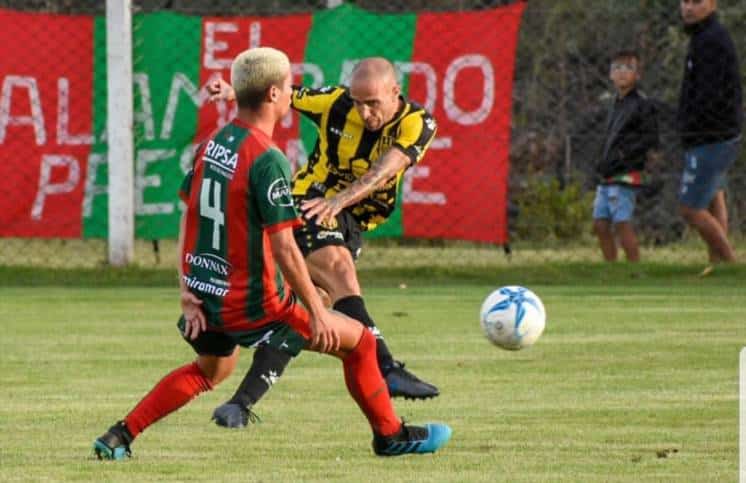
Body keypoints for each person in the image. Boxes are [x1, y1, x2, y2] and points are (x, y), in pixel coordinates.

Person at [92, 47, 451, 459]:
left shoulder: (213, 144)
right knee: (362, 344)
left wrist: (186, 289)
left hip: (208, 295)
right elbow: (284, 246)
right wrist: (316, 310)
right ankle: (391, 436)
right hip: (256, 302)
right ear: (276, 95)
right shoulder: (268, 160)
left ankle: (120, 436)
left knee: (210, 371)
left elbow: (188, 216)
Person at [207, 57, 440, 428]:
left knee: (308, 313)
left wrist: (339, 202)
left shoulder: (417, 122)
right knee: (338, 270)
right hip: (308, 201)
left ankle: (239, 404)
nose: (363, 112)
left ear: (395, 92)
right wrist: (235, 92)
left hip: (347, 218)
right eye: (357, 101)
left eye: (373, 103)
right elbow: (283, 96)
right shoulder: (334, 102)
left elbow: (384, 171)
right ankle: (387, 367)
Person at [678, 0, 742, 271]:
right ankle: (717, 266)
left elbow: (710, 96)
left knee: (690, 209)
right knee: (714, 196)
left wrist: (693, 126)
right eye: (685, 2)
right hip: (712, 134)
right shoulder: (701, 37)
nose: (688, 8)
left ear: (712, 4)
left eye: (696, 2)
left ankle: (732, 263)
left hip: (712, 136)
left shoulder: (711, 41)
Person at [592, 50, 659, 262]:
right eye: (617, 68)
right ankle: (611, 266)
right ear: (610, 75)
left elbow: (650, 139)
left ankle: (633, 266)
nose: (622, 72)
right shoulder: (614, 104)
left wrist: (624, 155)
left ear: (637, 75)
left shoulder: (641, 104)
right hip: (607, 172)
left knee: (621, 222)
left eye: (628, 68)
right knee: (600, 223)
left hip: (625, 173)